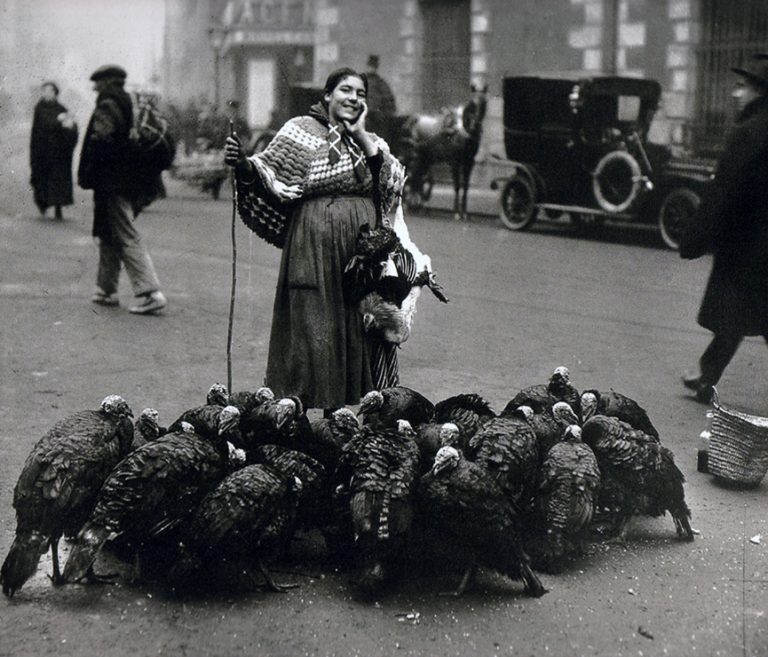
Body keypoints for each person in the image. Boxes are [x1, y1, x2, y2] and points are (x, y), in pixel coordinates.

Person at [224, 67, 405, 412]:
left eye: (360, 94)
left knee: (358, 329)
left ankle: (343, 416)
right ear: (327, 95)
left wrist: (361, 134)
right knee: (313, 328)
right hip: (313, 246)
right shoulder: (299, 132)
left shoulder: (372, 142)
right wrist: (243, 164)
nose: (353, 98)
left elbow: (390, 185)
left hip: (361, 255)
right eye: (345, 90)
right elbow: (267, 172)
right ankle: (298, 414)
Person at [679, 53, 768, 403]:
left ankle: (707, 376)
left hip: (748, 244)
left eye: (742, 86)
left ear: (759, 91)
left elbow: (724, 191)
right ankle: (707, 375)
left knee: (737, 308)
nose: (735, 93)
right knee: (743, 312)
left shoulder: (749, 134)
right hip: (759, 244)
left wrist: (695, 236)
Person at [77, 64, 167, 314]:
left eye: (98, 83)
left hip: (113, 181)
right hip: (127, 179)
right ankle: (106, 288)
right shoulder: (127, 102)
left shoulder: (107, 105)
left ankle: (150, 292)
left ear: (106, 83)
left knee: (125, 233)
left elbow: (102, 144)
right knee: (109, 231)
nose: (94, 87)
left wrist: (91, 172)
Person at [30, 81, 78, 220]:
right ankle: (43, 204)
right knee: (41, 177)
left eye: (49, 91)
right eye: (44, 90)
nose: (46, 93)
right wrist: (58, 121)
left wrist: (70, 127)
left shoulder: (61, 108)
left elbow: (72, 127)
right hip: (42, 150)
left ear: (55, 93)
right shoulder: (39, 108)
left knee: (58, 179)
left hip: (58, 152)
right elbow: (43, 125)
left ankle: (58, 207)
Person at [363, 54, 397, 140]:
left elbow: (390, 102)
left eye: (373, 66)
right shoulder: (360, 81)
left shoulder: (381, 84)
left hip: (377, 122)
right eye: (370, 66)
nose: (371, 69)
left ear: (376, 68)